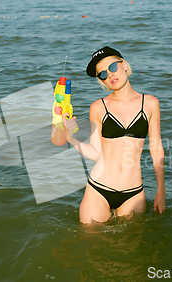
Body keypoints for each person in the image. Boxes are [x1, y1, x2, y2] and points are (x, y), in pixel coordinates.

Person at [62, 46, 165, 224]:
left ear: (124, 64)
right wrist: (71, 139)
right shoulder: (98, 107)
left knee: (129, 247)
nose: (109, 75)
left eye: (112, 67)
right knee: (89, 247)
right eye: (102, 74)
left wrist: (161, 191)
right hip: (98, 190)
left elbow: (156, 150)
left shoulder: (150, 103)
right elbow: (96, 152)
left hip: (134, 193)